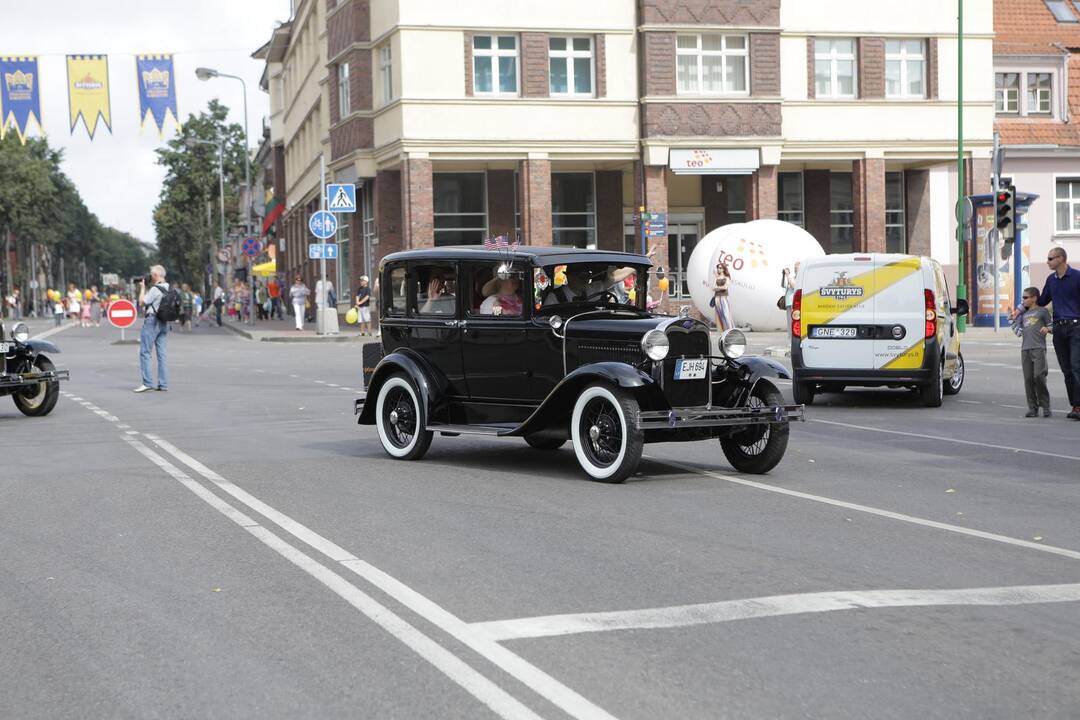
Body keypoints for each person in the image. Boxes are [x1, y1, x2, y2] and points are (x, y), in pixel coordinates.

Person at [1037, 246, 1080, 419]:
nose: (1047, 262)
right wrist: (1021, 306)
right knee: (1067, 370)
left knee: (1077, 367)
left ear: (1061, 258)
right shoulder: (1051, 279)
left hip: (1076, 327)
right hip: (1059, 329)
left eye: (1050, 258)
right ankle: (1075, 405)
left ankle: (1078, 406)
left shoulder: (1077, 277)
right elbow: (1042, 300)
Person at [1010, 287, 1053, 418]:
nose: (1023, 300)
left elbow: (1052, 325)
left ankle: (1045, 405)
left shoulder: (1043, 311)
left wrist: (1048, 329)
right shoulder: (1024, 314)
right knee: (1028, 379)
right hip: (1025, 349)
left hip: (1038, 347)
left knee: (1039, 376)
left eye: (1025, 297)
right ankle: (1032, 408)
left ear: (1034, 298)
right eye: (1023, 298)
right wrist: (1013, 319)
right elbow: (1017, 330)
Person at [134, 265, 170, 393]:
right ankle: (163, 384)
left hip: (152, 321)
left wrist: (143, 288)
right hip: (164, 323)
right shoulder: (168, 287)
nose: (151, 276)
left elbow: (142, 302)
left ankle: (147, 382)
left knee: (145, 352)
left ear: (156, 275)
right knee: (162, 354)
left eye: (151, 274)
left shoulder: (155, 289)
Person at [712, 262, 734, 331]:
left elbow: (725, 287)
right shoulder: (717, 278)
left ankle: (730, 330)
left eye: (720, 268)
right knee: (719, 316)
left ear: (724, 269)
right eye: (718, 268)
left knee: (726, 315)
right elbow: (713, 287)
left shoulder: (726, 278)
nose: (719, 269)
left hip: (723, 298)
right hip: (717, 298)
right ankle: (723, 330)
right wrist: (720, 287)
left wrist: (717, 288)